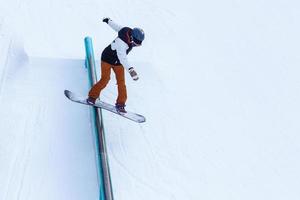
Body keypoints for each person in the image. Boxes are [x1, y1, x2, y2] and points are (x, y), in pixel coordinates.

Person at [87, 18, 145, 113]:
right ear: (132, 37)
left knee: (121, 83)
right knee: (105, 79)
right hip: (107, 59)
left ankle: (120, 104)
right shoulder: (121, 43)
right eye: (135, 44)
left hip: (118, 63)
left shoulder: (126, 31)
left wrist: (108, 21)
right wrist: (131, 70)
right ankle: (92, 96)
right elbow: (123, 58)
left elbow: (117, 27)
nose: (134, 46)